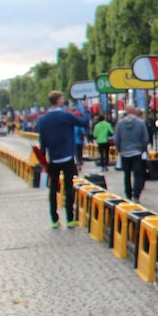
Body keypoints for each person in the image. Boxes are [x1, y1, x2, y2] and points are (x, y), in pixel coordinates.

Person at [37, 91, 90, 228]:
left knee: (53, 189)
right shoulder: (66, 116)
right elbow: (84, 122)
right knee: (68, 188)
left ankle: (54, 219)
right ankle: (70, 218)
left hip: (53, 159)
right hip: (67, 156)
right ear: (59, 101)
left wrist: (43, 162)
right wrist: (85, 108)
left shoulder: (42, 120)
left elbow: (42, 143)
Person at [113, 107, 149, 202]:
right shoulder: (141, 123)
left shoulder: (120, 124)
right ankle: (136, 195)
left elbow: (116, 139)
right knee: (138, 174)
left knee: (127, 174)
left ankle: (128, 195)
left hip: (124, 153)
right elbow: (145, 139)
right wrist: (142, 149)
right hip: (137, 152)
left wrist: (120, 149)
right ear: (134, 112)